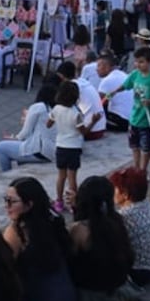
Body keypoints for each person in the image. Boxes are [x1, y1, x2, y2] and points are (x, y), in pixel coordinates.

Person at [2, 177, 77, 301]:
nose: (6, 206)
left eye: (11, 202)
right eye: (5, 200)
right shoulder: (53, 220)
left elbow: (2, 268)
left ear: (29, 205)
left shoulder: (17, 232)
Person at [67, 176, 135, 301]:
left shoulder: (79, 230)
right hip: (118, 281)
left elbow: (70, 258)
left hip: (93, 287)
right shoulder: (117, 220)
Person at [109, 167, 150, 287]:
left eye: (115, 189)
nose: (113, 192)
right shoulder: (148, 206)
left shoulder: (124, 216)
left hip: (140, 273)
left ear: (125, 194)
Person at [0, 84, 59, 172]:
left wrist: (14, 137)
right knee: (21, 148)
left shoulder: (38, 106)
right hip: (52, 151)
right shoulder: (54, 108)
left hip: (40, 151)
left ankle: (6, 174)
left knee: (1, 148)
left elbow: (26, 131)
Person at [47, 81, 89, 212]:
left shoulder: (56, 109)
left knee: (61, 176)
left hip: (60, 146)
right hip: (74, 148)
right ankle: (73, 203)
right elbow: (84, 132)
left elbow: (48, 124)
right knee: (72, 178)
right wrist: (93, 121)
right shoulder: (76, 114)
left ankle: (59, 202)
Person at [122, 47, 150, 171]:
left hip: (146, 120)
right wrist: (112, 93)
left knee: (146, 148)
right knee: (134, 146)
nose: (137, 64)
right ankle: (136, 168)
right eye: (136, 61)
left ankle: (143, 171)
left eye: (141, 62)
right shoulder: (134, 75)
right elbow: (125, 85)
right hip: (134, 118)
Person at [96, 54, 133, 133]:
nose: (96, 69)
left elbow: (99, 103)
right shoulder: (122, 74)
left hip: (123, 121)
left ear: (107, 67)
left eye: (99, 66)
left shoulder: (107, 81)